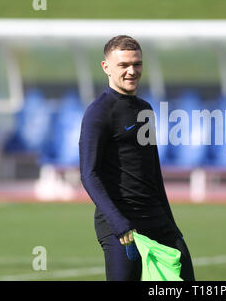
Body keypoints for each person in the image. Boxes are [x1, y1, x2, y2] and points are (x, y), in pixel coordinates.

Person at [79, 35, 194, 281]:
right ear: (106, 67)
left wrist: (171, 223)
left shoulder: (145, 109)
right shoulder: (98, 113)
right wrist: (119, 223)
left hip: (158, 220)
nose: (132, 71)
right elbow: (89, 174)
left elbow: (153, 170)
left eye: (137, 64)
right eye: (123, 65)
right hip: (121, 226)